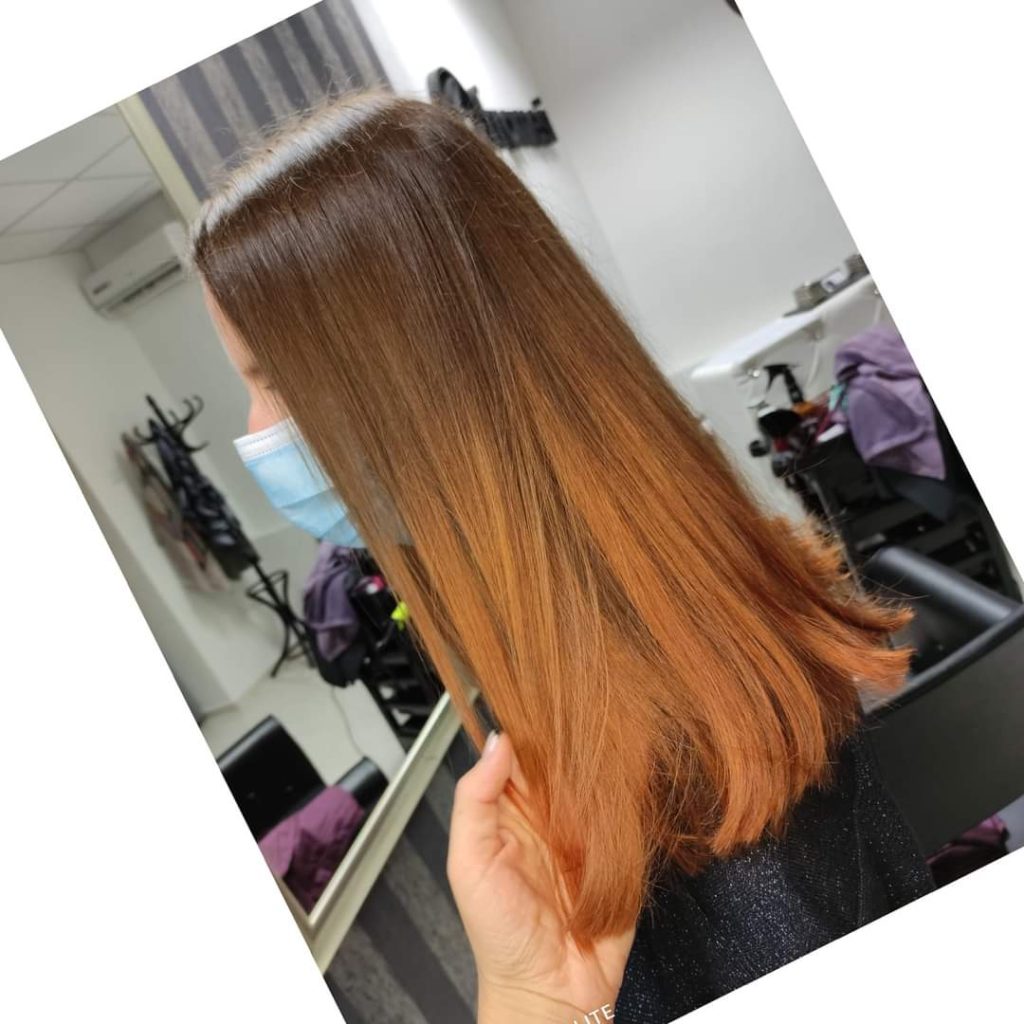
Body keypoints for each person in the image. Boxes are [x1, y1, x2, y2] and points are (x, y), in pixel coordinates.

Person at [190, 90, 934, 1023]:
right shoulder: (601, 642)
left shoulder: (683, 758)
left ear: (415, 378)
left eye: (270, 381)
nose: (255, 428)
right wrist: (526, 996)